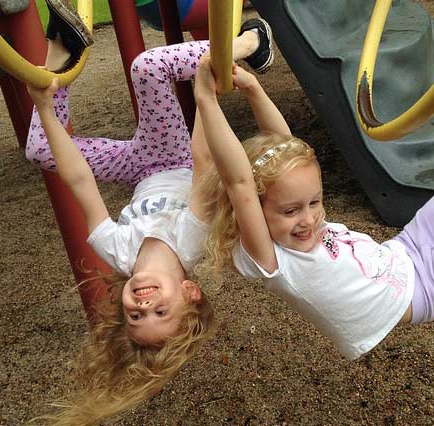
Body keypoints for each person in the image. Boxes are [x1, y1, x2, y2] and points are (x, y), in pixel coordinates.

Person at [193, 57, 434, 362]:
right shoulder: (271, 258)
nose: (307, 219)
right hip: (427, 289)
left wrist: (255, 89)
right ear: (256, 212)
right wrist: (206, 101)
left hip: (404, 249)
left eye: (314, 202)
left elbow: (286, 145)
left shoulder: (288, 214)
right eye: (290, 211)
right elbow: (239, 182)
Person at [26, 0, 274, 423]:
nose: (144, 304)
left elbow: (80, 181)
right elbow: (204, 160)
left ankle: (62, 48)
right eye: (161, 312)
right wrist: (207, 92)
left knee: (39, 149)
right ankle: (251, 42)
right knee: (146, 68)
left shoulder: (117, 251)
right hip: (176, 157)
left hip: (139, 167)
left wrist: (46, 111)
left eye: (135, 315)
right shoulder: (191, 241)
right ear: (190, 293)